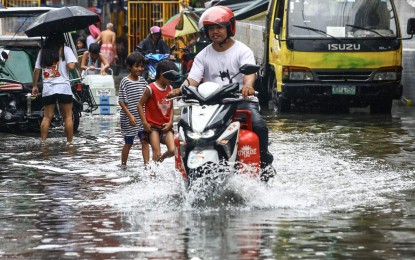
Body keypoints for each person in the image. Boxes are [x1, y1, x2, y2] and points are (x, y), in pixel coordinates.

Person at [167, 6, 275, 179]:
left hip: (240, 99)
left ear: (229, 28)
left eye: (219, 27)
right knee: (183, 126)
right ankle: (183, 171)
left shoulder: (242, 51)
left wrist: (248, 86)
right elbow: (193, 79)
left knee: (259, 126)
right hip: (210, 103)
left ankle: (264, 165)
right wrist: (180, 89)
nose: (215, 32)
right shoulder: (202, 55)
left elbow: (249, 75)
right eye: (211, 28)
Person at [31, 33, 78, 145]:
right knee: (67, 116)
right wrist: (73, 62)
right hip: (63, 88)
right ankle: (69, 143)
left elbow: (37, 70)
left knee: (47, 117)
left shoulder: (43, 51)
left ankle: (43, 142)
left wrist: (34, 86)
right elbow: (71, 67)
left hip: (48, 88)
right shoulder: (66, 49)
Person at [138, 59, 178, 163]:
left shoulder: (170, 89)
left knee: (173, 150)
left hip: (166, 126)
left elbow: (171, 107)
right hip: (153, 127)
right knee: (156, 153)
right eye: (170, 76)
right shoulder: (150, 88)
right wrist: (145, 123)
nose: (171, 80)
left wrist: (170, 122)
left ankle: (161, 160)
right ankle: (153, 174)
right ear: (161, 73)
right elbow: (139, 104)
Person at [118, 52, 149, 167]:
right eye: (137, 66)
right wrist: (130, 115)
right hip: (128, 118)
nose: (140, 69)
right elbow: (121, 101)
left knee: (144, 141)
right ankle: (123, 165)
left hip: (142, 118)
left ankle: (147, 165)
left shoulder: (143, 81)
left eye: (141, 66)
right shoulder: (125, 82)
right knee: (128, 142)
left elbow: (147, 99)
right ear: (129, 67)